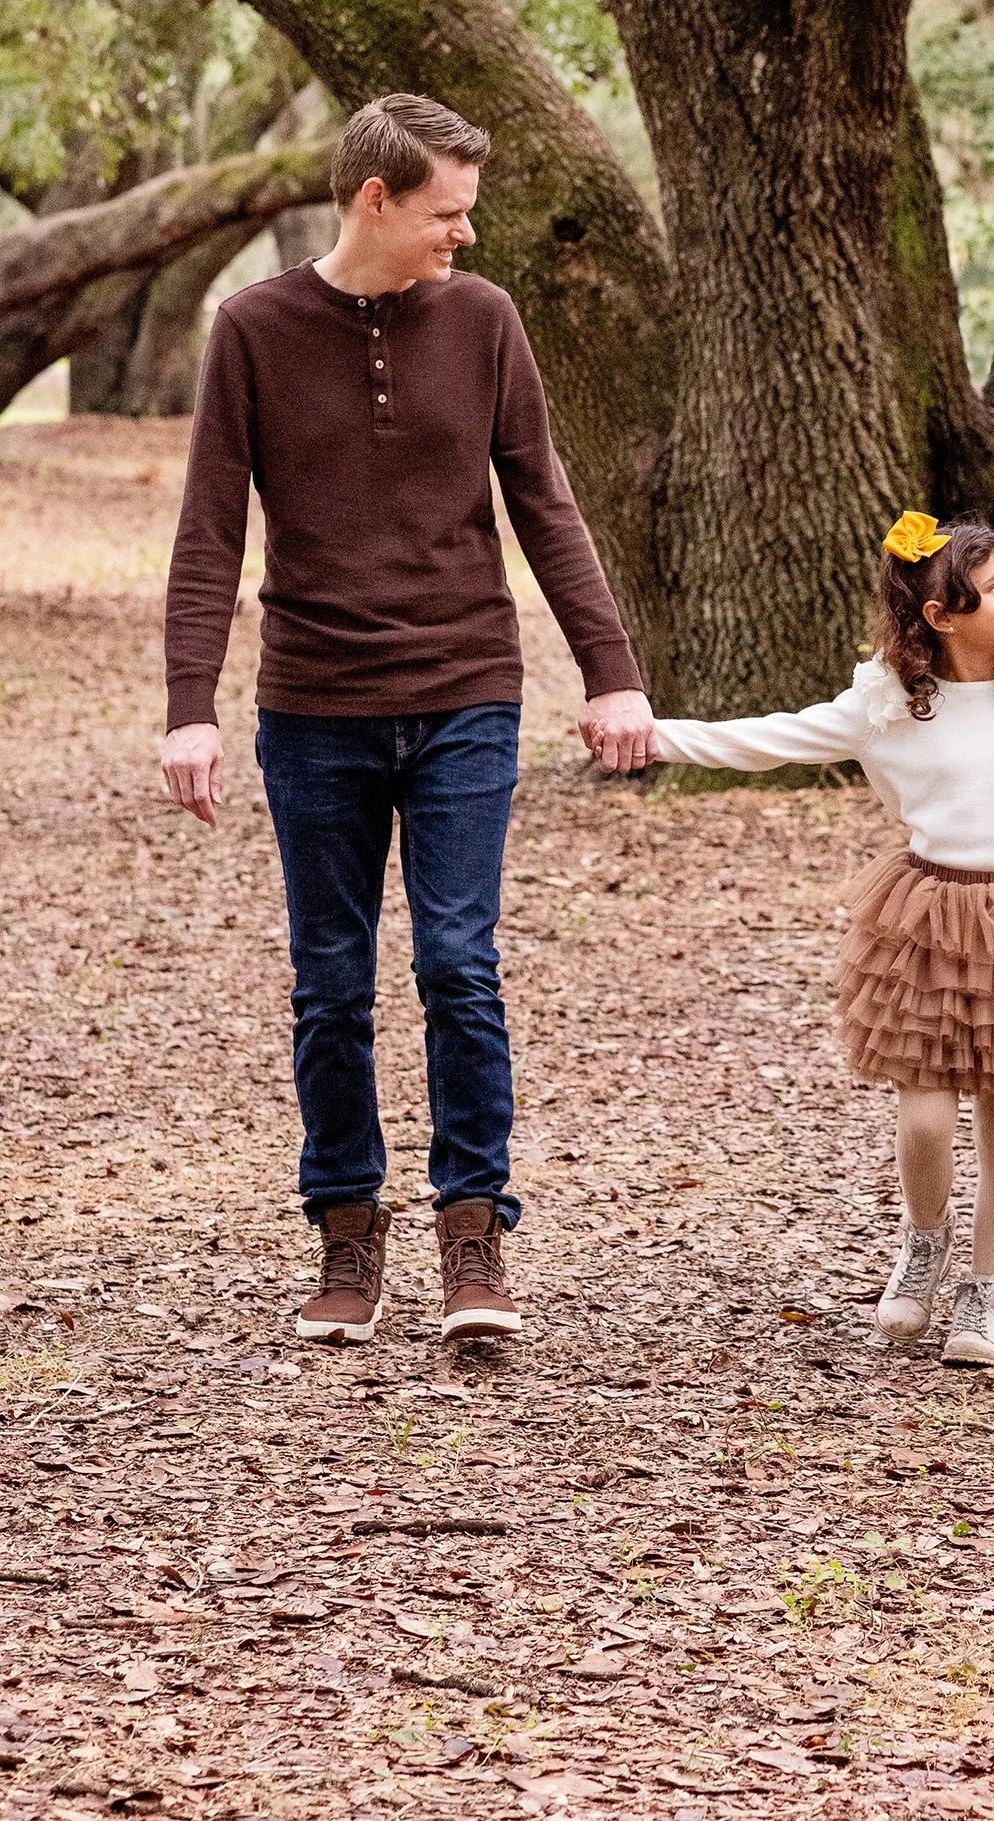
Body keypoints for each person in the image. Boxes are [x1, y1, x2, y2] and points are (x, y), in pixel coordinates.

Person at [159, 93, 656, 1347]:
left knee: (457, 964)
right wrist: (189, 707)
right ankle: (344, 1231)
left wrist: (612, 672)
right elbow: (211, 527)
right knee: (330, 983)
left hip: (465, 694)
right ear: (375, 199)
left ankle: (472, 1231)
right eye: (448, 212)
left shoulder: (483, 322)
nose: (466, 237)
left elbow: (545, 503)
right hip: (315, 703)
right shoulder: (254, 331)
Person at [615, 514, 994, 1369]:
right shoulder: (885, 707)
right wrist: (656, 735)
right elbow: (766, 740)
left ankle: (987, 1286)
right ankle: (925, 1238)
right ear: (943, 615)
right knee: (923, 1115)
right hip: (929, 917)